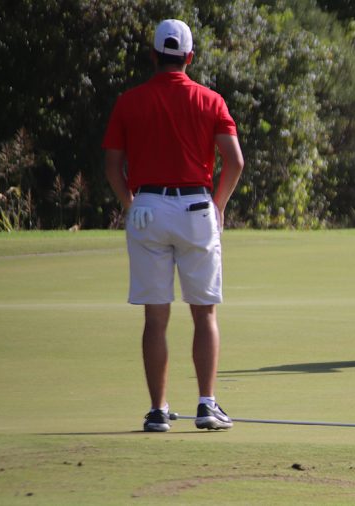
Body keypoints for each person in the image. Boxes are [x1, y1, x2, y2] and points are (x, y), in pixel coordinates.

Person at [103, 19, 245, 432]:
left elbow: (112, 165)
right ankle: (206, 404)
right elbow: (234, 161)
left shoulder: (129, 101)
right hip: (196, 208)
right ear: (189, 57)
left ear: (153, 56)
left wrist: (130, 204)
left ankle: (158, 411)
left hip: (147, 206)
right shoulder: (210, 99)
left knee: (155, 318)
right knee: (204, 314)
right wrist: (218, 204)